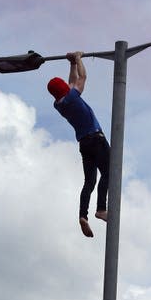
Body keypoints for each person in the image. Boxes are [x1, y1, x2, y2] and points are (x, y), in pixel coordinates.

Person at [47, 51, 110, 238]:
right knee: (109, 173)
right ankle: (101, 209)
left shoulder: (59, 104)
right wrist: (79, 58)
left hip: (84, 143)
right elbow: (82, 77)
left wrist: (72, 63)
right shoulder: (73, 97)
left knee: (89, 181)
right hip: (96, 139)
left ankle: (83, 215)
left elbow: (72, 81)